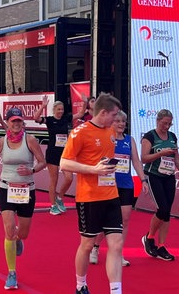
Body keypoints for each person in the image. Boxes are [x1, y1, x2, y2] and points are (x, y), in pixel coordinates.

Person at [60, 93, 124, 294]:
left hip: (111, 195)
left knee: (116, 243)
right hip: (89, 197)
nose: (116, 120)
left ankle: (116, 290)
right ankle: (80, 285)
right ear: (103, 112)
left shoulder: (111, 130)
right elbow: (64, 162)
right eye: (114, 115)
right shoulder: (80, 132)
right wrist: (93, 170)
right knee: (87, 244)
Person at [0, 107, 46, 290]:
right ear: (7, 123)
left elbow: (42, 162)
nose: (16, 124)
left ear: (22, 123)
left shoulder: (30, 140)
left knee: (22, 233)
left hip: (26, 190)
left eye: (19, 121)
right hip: (6, 189)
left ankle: (18, 239)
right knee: (9, 230)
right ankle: (12, 273)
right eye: (13, 121)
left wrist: (32, 170)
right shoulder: (0, 142)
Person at [89, 110, 148, 267]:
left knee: (125, 220)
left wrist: (143, 180)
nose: (121, 124)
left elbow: (136, 161)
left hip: (126, 185)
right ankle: (95, 248)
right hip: (108, 185)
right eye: (118, 121)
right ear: (111, 122)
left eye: (124, 121)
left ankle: (118, 252)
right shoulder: (105, 138)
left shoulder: (130, 140)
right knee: (105, 220)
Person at [141, 109, 179, 262]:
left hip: (169, 176)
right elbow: (143, 158)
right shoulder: (149, 136)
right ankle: (149, 238)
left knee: (167, 213)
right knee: (162, 209)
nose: (167, 127)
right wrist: (160, 153)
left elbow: (176, 158)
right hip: (153, 176)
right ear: (158, 121)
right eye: (164, 123)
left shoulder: (172, 136)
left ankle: (162, 245)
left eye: (169, 124)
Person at [32, 95, 85, 215]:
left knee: (69, 178)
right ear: (54, 110)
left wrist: (85, 102)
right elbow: (36, 118)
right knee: (53, 180)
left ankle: (59, 197)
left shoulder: (66, 118)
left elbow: (81, 114)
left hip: (65, 154)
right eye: (58, 109)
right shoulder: (50, 120)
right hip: (52, 153)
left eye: (62, 109)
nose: (61, 111)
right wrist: (43, 106)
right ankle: (52, 205)